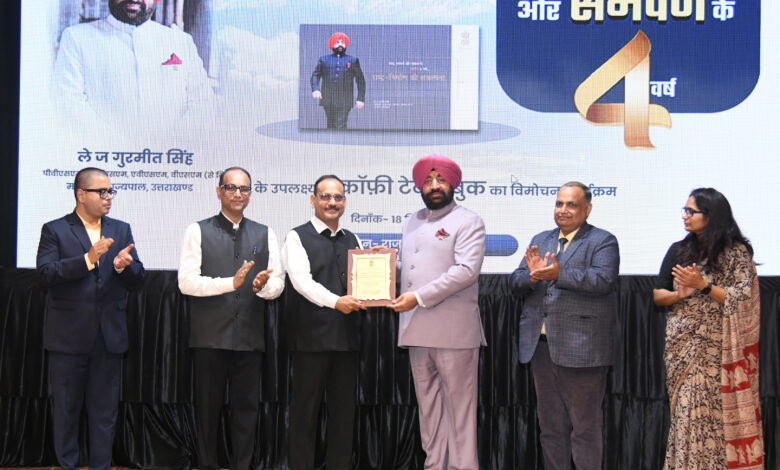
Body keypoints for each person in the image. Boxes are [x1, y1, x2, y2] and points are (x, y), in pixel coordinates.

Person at [37, 167, 145, 470]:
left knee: (104, 414)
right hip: (68, 339)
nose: (108, 197)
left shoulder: (120, 229)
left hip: (108, 338)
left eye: (110, 191)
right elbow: (45, 274)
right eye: (102, 191)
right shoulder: (55, 229)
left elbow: (138, 278)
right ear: (81, 194)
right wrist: (88, 259)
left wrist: (123, 266)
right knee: (66, 413)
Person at [178, 167, 285, 470]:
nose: (238, 194)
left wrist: (262, 287)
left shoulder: (265, 233)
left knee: (246, 412)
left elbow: (278, 283)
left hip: (249, 337)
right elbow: (186, 282)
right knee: (207, 412)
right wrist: (231, 283)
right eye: (231, 188)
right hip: (210, 337)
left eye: (244, 189)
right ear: (219, 191)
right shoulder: (197, 230)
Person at [509, 181, 619, 470]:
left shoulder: (602, 241)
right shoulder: (541, 239)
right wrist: (532, 277)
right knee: (550, 428)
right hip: (541, 348)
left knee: (584, 430)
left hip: (582, 349)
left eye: (571, 204)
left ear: (587, 209)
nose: (563, 210)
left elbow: (603, 280)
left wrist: (559, 274)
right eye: (559, 204)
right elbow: (516, 282)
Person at [653, 188, 763, 469]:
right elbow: (658, 295)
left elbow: (743, 298)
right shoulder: (678, 250)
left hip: (719, 351)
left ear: (711, 215)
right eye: (685, 210)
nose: (685, 216)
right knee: (685, 415)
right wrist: (679, 295)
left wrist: (704, 286)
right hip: (683, 347)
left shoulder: (736, 253)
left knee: (714, 419)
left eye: (691, 211)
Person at [390, 155, 486, 470]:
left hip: (453, 333)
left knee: (459, 412)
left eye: (441, 180)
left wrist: (418, 297)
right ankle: (434, 465)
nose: (434, 186)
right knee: (429, 411)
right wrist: (386, 265)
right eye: (428, 180)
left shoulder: (468, 221)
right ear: (420, 186)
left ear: (452, 184)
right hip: (416, 330)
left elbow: (466, 271)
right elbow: (412, 268)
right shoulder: (412, 221)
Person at [282, 175, 365, 470]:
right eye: (326, 196)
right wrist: (336, 302)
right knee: (304, 413)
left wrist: (380, 269)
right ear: (313, 200)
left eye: (338, 197)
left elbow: (363, 282)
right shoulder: (296, 237)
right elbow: (302, 283)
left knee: (344, 414)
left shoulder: (353, 239)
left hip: (347, 338)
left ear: (344, 202)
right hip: (311, 340)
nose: (332, 202)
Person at [53, 0, 213, 137]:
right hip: (102, 156)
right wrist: (117, 147)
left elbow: (203, 103)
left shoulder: (181, 42)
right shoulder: (77, 38)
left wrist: (166, 146)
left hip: (169, 156)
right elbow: (69, 104)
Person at [310, 32, 366, 129]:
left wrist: (360, 99)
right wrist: (315, 89)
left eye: (342, 42)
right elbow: (315, 75)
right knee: (331, 125)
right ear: (332, 44)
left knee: (341, 126)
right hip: (328, 99)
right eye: (337, 42)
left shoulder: (353, 60)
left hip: (345, 100)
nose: (340, 44)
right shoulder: (324, 59)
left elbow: (360, 80)